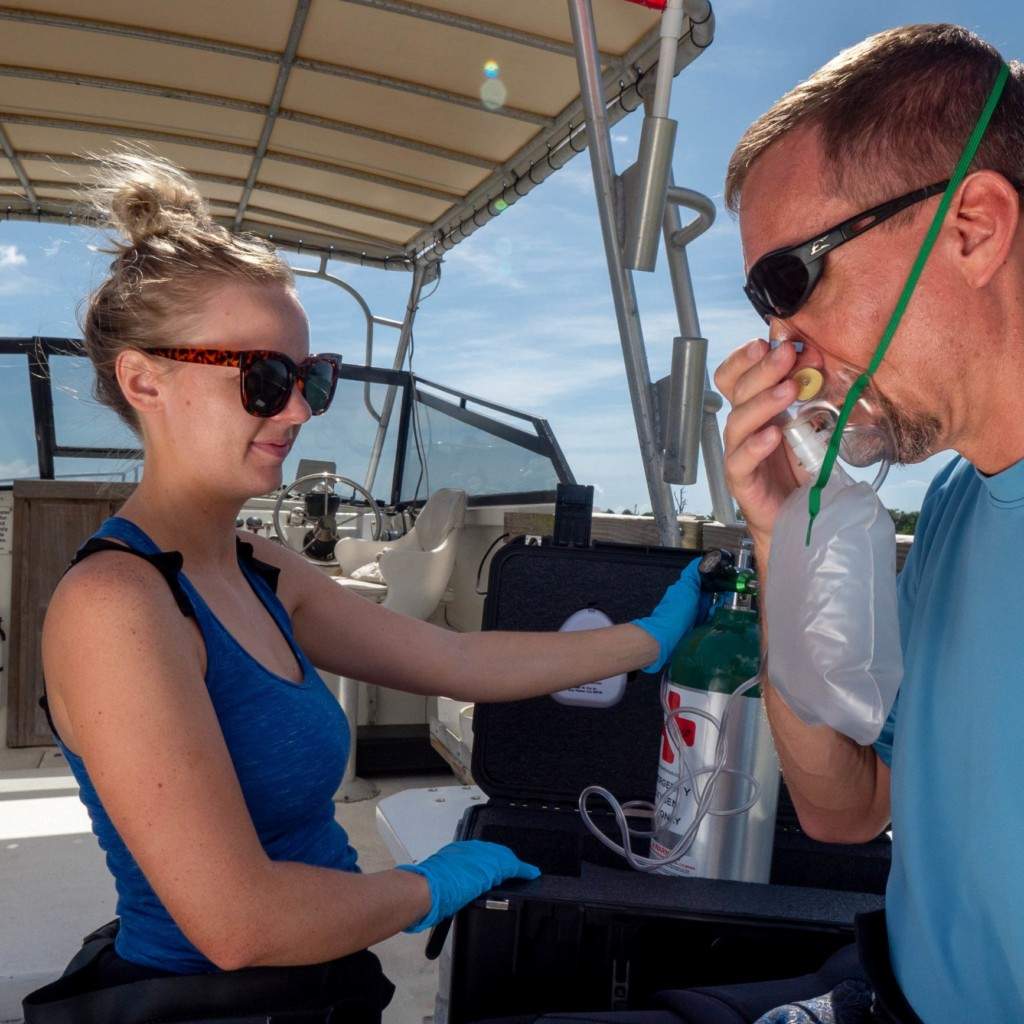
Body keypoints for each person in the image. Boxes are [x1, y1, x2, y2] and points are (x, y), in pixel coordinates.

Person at [30, 152, 707, 1022]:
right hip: (216, 1002)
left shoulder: (258, 565)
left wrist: (646, 640)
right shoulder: (117, 607)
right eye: (264, 379)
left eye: (312, 379)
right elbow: (239, 924)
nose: (301, 411)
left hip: (322, 981)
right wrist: (427, 886)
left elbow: (456, 658)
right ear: (143, 379)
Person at [714, 23, 1024, 1024]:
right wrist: (783, 538)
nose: (780, 352)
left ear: (972, 226)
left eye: (789, 283)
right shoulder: (951, 507)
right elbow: (842, 808)